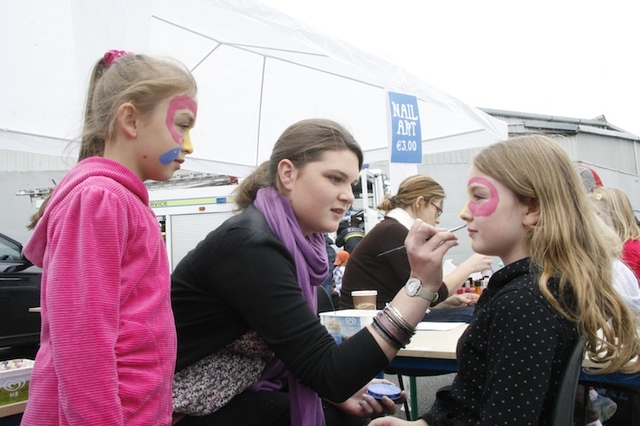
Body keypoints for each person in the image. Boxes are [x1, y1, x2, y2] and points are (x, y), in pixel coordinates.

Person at [170, 118, 460, 426]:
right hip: (177, 408)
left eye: (352, 183)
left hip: (231, 393)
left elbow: (319, 369)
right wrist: (419, 287)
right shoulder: (249, 245)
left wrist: (334, 392)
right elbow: (330, 373)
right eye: (335, 179)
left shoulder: (294, 245)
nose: (348, 195)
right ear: (288, 174)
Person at [369, 134, 640, 426]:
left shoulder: (523, 305)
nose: (464, 212)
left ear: (532, 209)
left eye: (479, 197)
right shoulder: (534, 291)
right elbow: (473, 398)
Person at [21, 50, 198, 425]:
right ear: (130, 119)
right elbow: (81, 341)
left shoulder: (119, 201)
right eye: (181, 125)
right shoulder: (100, 200)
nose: (189, 145)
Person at [339, 174, 492, 322]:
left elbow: (419, 295)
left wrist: (444, 305)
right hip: (373, 319)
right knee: (474, 316)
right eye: (437, 210)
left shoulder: (390, 229)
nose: (438, 220)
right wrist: (469, 266)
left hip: (381, 314)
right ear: (420, 203)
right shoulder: (394, 232)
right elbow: (433, 292)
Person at [590, 187, 640, 282]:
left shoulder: (626, 251)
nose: (594, 221)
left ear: (616, 216)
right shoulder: (632, 244)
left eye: (599, 215)